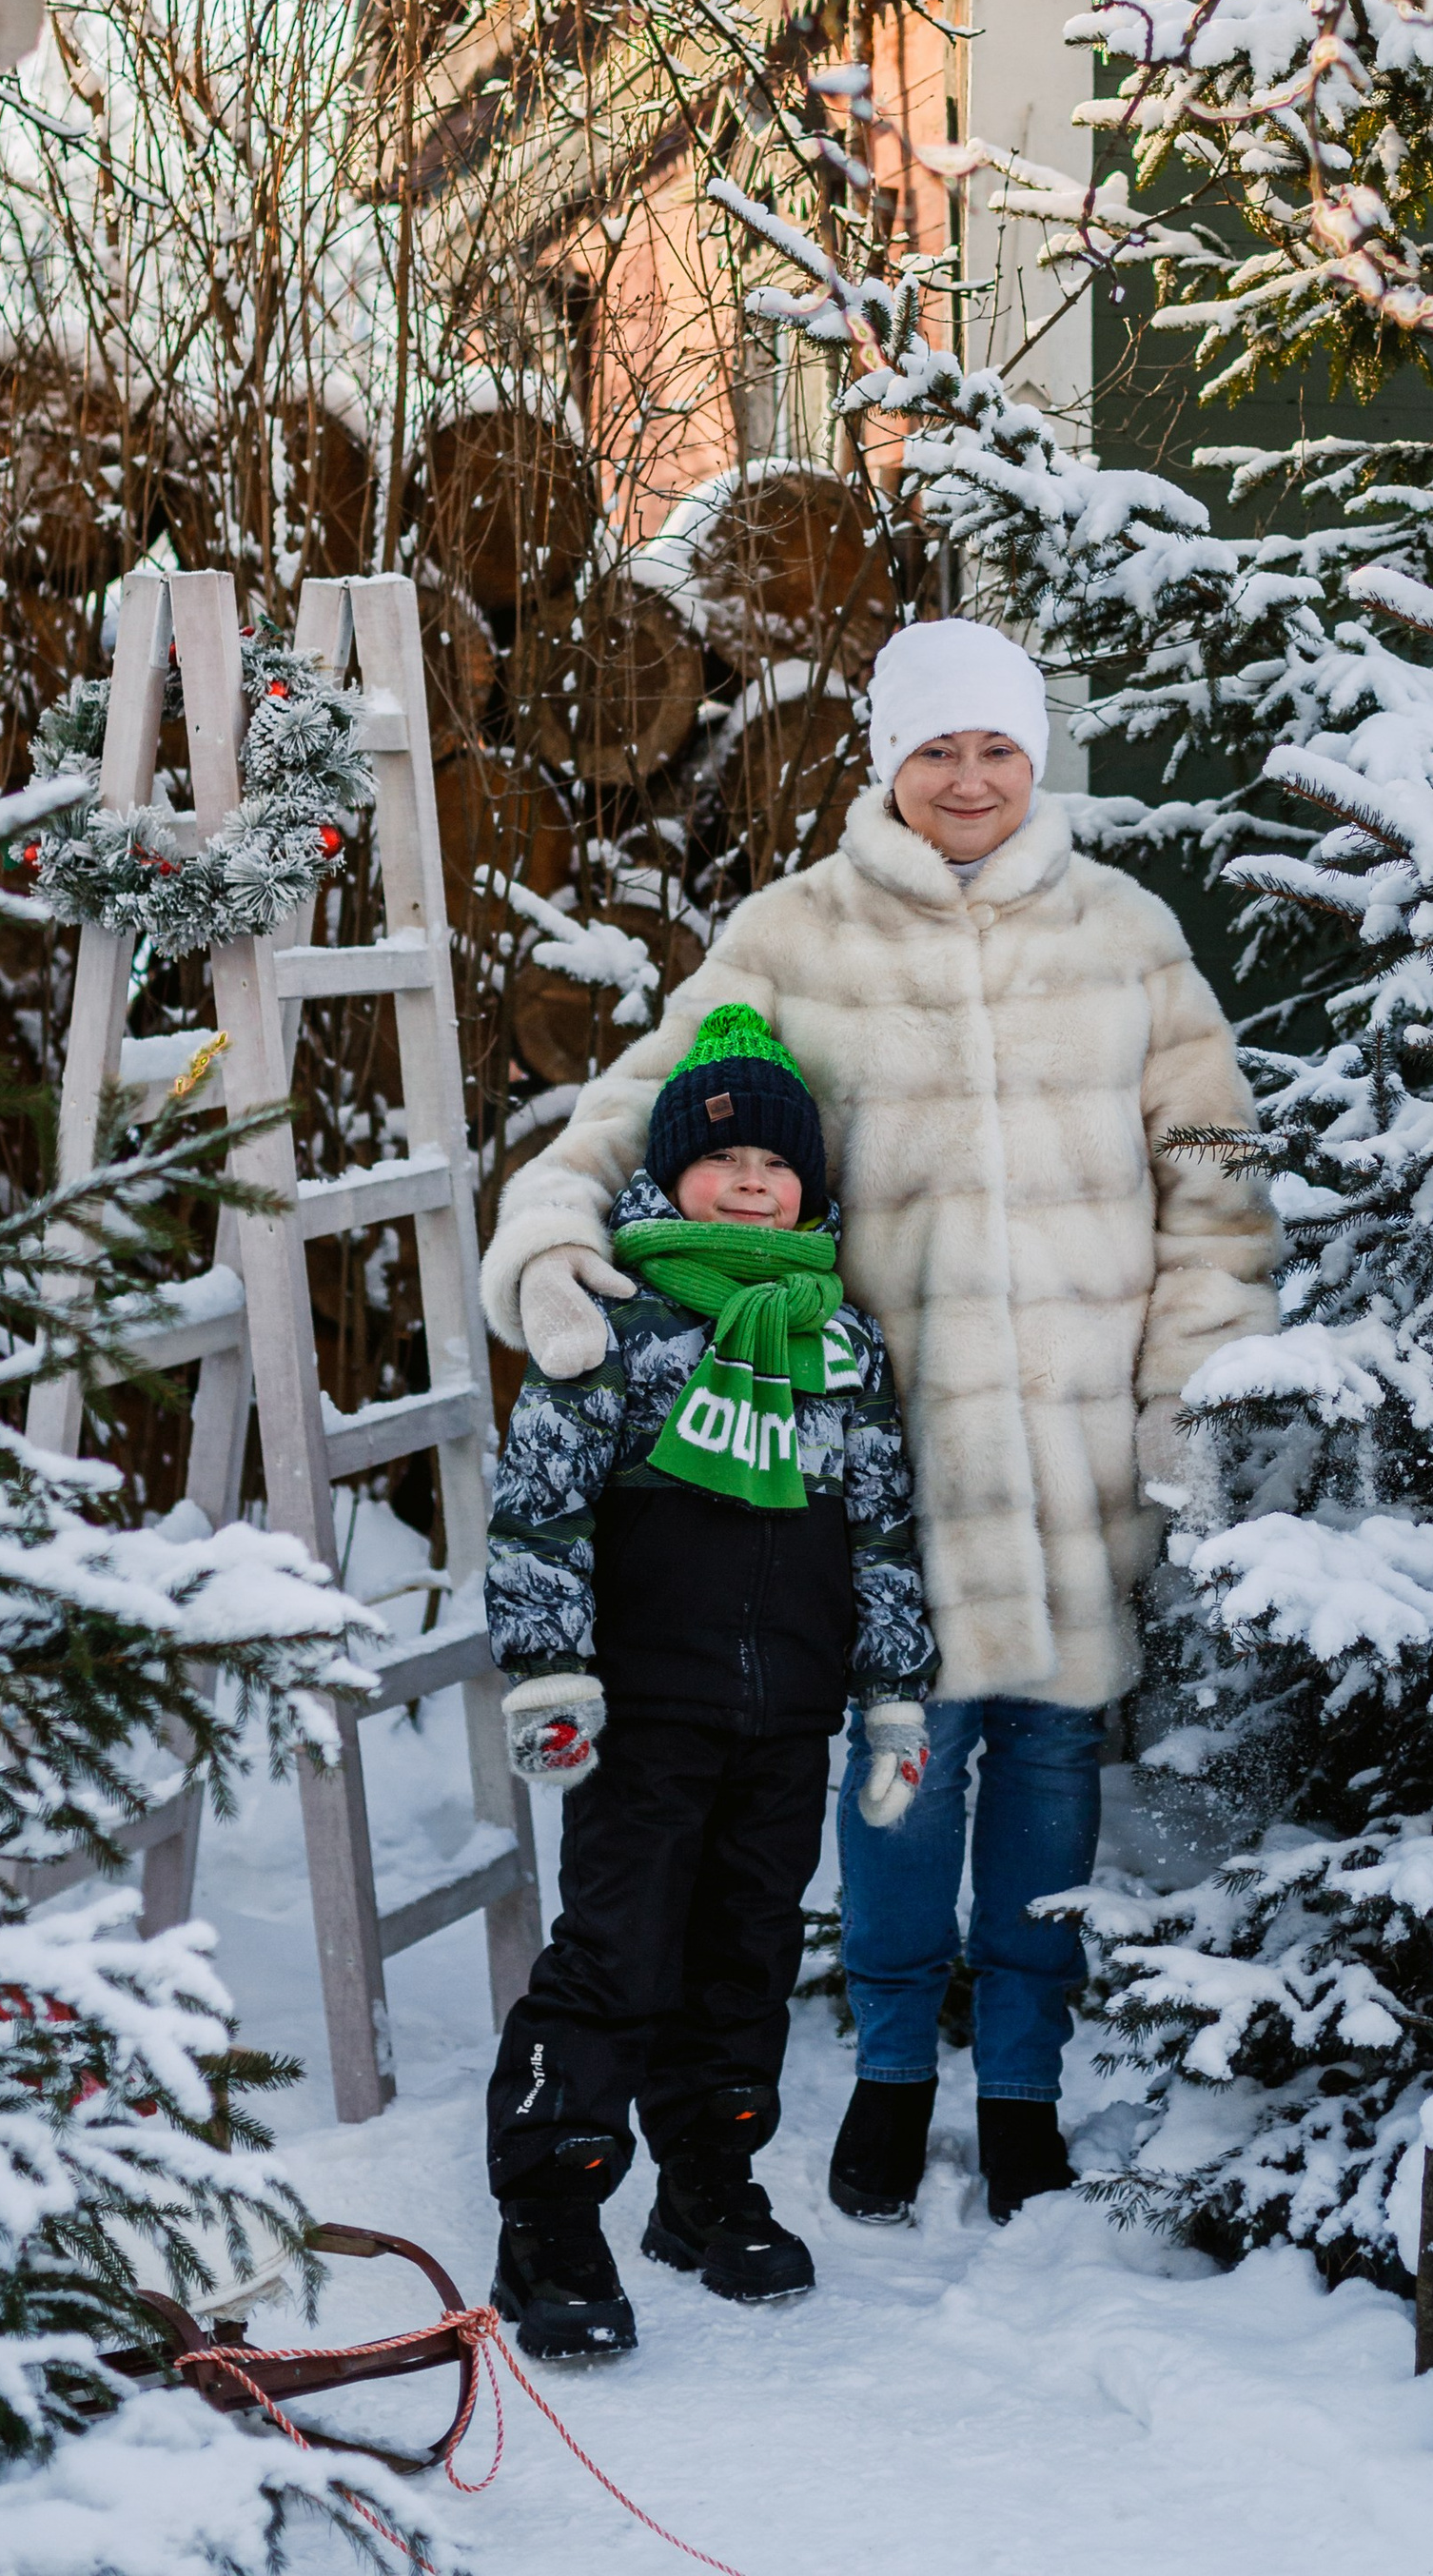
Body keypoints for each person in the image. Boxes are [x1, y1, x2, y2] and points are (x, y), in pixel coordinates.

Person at [482, 618, 1280, 2232]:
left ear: (1034, 758)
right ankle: (900, 2068)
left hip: (1071, 1457)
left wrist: (1184, 1390)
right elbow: (636, 1106)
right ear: (886, 763)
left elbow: (1220, 1184)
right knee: (902, 1766)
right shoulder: (794, 938)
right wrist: (553, 1233)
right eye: (936, 749)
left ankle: (1026, 2083)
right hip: (873, 1448)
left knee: (1054, 1758)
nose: (967, 779)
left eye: (995, 748)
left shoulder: (1131, 939)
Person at [482, 1003, 935, 2361]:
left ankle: (708, 2183)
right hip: (646, 1714)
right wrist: (551, 1669)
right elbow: (542, 1509)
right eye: (724, 1158)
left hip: (787, 1718)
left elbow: (880, 1528)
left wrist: (894, 1695)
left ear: (811, 1185)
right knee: (616, 1954)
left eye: (778, 1165)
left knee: (746, 1953)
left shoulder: (841, 1345)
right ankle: (552, 2214)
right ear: (669, 1173)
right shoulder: (619, 1321)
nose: (751, 1183)